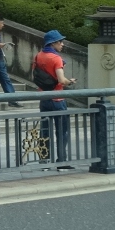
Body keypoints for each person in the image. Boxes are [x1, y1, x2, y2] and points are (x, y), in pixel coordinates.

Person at [32, 30, 75, 169]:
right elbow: (61, 80)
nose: (62, 44)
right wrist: (70, 82)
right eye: (60, 42)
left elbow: (35, 75)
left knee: (45, 130)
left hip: (44, 97)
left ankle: (44, 162)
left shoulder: (38, 56)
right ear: (52, 43)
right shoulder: (56, 59)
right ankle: (61, 162)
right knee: (62, 131)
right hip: (57, 99)